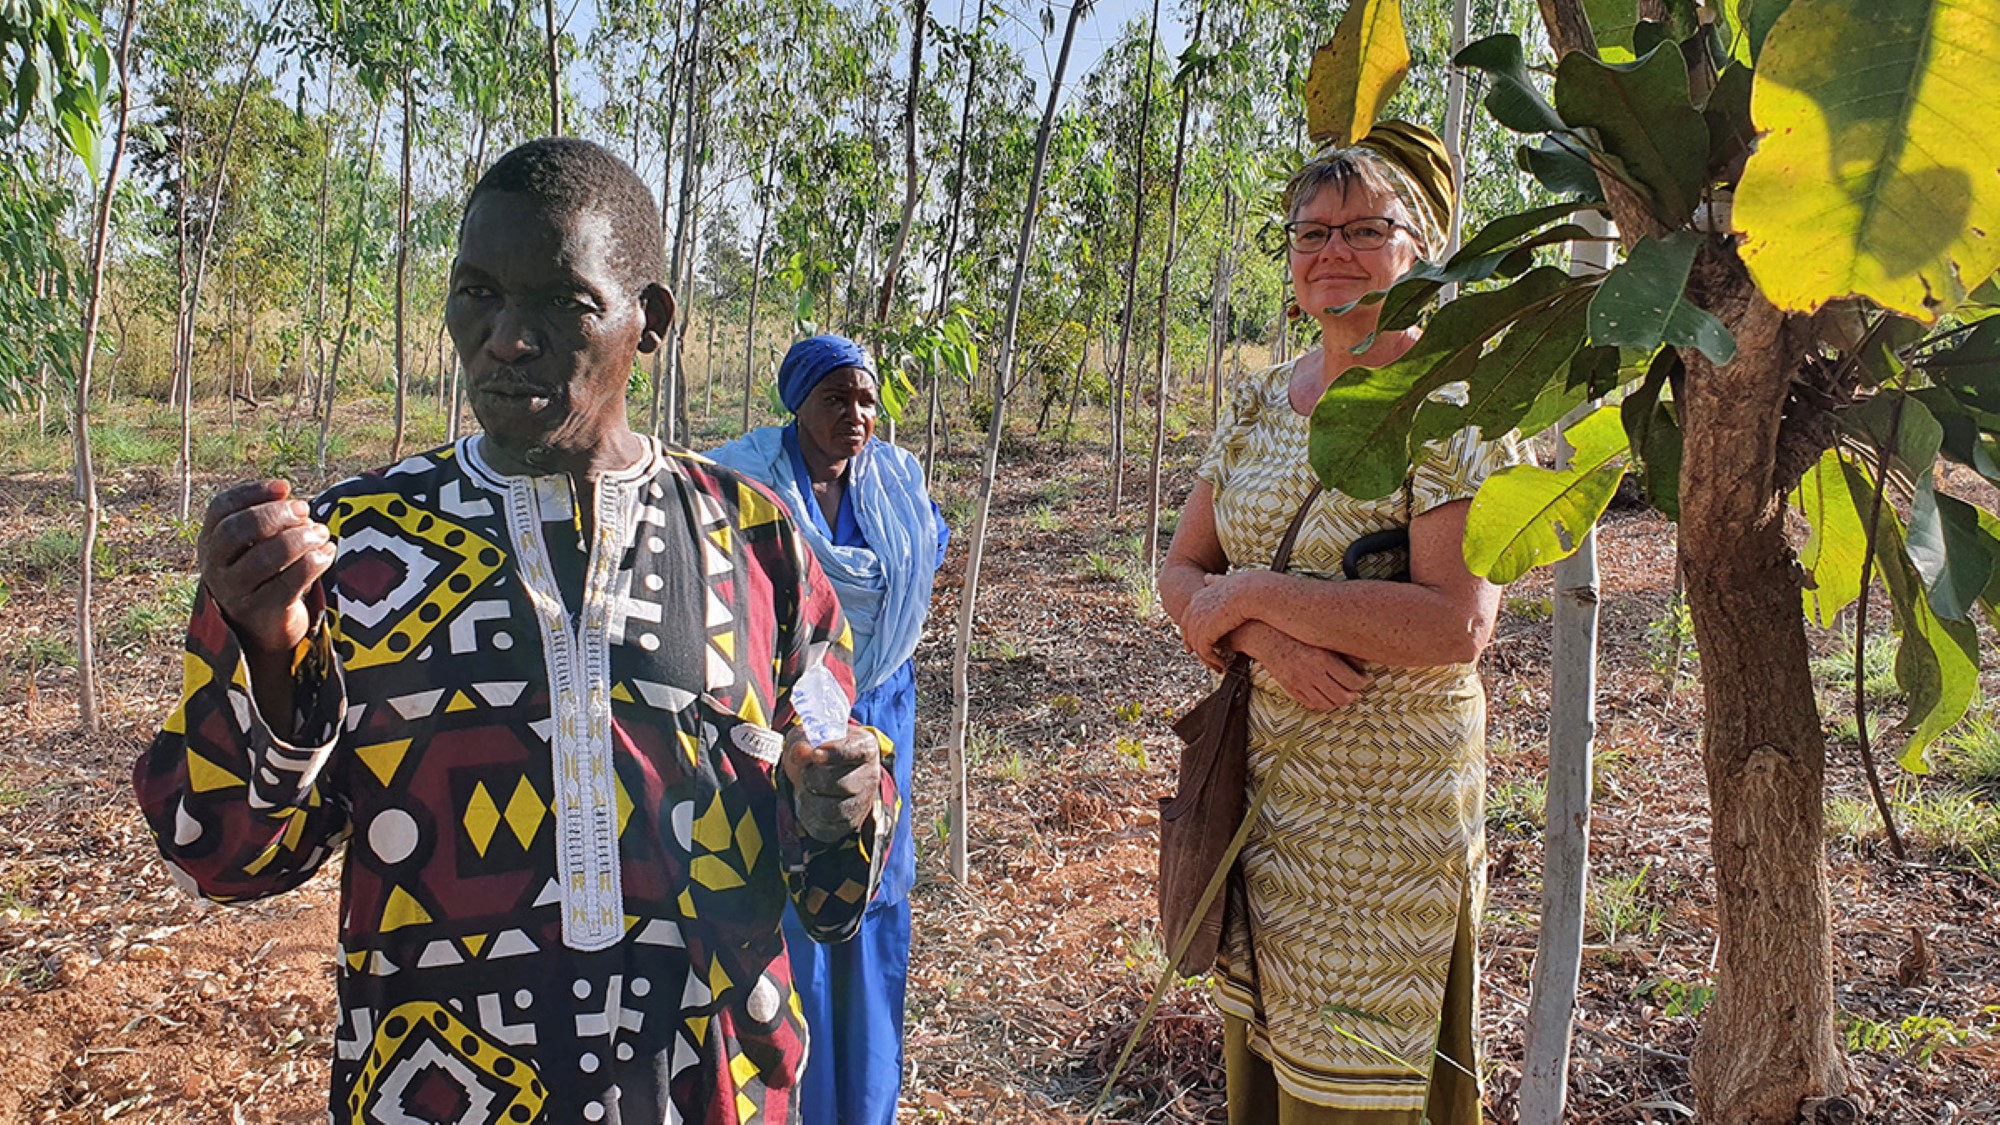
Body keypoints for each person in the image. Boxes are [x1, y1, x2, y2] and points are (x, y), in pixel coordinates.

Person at [132, 137, 898, 1125]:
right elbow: (226, 856)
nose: (505, 337)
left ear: (649, 320)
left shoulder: (759, 548)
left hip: (702, 1093)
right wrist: (270, 654)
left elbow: (830, 875)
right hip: (437, 1100)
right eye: (478, 294)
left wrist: (835, 802)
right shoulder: (349, 552)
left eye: (560, 303)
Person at [1158, 121, 1517, 1124]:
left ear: (1420, 252)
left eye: (1364, 230)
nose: (1332, 254)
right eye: (1310, 235)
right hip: (1264, 797)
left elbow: (1457, 624)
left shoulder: (1453, 407)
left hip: (1388, 824)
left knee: (1365, 1076)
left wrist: (1259, 596)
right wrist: (1259, 634)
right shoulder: (1261, 402)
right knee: (1273, 1057)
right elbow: (1183, 570)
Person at [706, 335, 948, 1125]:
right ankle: (798, 1102)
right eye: (835, 399)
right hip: (792, 715)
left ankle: (867, 1106)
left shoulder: (897, 485)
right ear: (796, 403)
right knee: (798, 901)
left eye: (867, 400)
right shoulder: (744, 482)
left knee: (876, 905)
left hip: (882, 709)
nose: (856, 416)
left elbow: (924, 559)